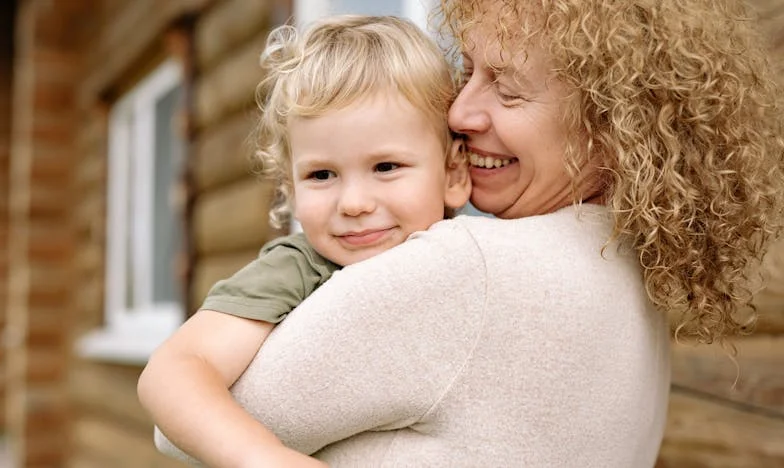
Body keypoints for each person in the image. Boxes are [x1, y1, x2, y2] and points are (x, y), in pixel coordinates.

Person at [150, 0, 784, 466]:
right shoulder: (627, 273)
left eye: (505, 89)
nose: (459, 112)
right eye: (469, 72)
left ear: (610, 123)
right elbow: (180, 389)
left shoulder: (467, 269)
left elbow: (173, 435)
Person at [138, 14, 471, 467]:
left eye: (386, 167)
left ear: (453, 173)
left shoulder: (479, 252)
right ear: (291, 190)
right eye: (321, 174)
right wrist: (265, 458)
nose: (353, 202)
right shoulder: (298, 268)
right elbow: (174, 371)